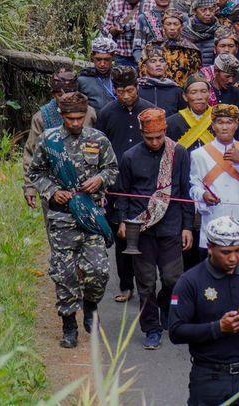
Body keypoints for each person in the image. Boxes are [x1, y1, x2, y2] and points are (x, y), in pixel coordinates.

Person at [26, 92, 118, 348]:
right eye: (70, 118)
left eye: (79, 118)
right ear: (62, 116)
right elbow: (36, 172)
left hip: (91, 216)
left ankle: (90, 305)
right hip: (62, 218)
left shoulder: (98, 139)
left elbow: (112, 169)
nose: (75, 123)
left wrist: (100, 179)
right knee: (64, 274)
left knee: (98, 271)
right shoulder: (49, 140)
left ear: (86, 115)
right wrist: (53, 192)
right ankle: (69, 325)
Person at [168, 216, 239, 406]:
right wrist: (218, 328)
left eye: (238, 250)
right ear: (210, 247)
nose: (233, 258)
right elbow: (176, 331)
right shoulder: (189, 281)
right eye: (226, 252)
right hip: (208, 379)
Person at [116, 108, 193, 349]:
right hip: (141, 229)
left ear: (165, 131)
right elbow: (123, 194)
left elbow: (184, 192)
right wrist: (122, 221)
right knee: (146, 283)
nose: (155, 142)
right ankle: (151, 328)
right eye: (149, 138)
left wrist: (187, 226)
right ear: (141, 134)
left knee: (173, 278)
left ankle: (166, 304)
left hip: (171, 225)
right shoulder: (129, 157)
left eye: (159, 137)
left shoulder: (178, 153)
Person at [96, 67, 157, 304]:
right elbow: (99, 148)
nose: (125, 95)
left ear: (137, 88)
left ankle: (148, 283)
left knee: (148, 232)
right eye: (120, 91)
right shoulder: (106, 113)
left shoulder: (149, 111)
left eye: (129, 90)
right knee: (121, 233)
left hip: (145, 182)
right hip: (117, 182)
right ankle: (125, 284)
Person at [190, 104, 239, 261]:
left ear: (236, 124)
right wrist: (203, 195)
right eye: (220, 122)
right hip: (214, 221)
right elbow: (194, 187)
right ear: (213, 125)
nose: (224, 127)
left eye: (229, 122)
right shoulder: (199, 154)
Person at [23, 69, 99, 210]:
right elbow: (31, 154)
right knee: (56, 226)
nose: (65, 97)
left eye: (70, 93)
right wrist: (30, 187)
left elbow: (101, 149)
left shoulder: (89, 113)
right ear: (53, 94)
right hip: (54, 185)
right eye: (59, 94)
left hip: (86, 184)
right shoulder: (41, 117)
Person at [101, 0, 154, 68]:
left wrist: (140, 30)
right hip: (121, 56)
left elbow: (157, 33)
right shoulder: (115, 3)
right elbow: (105, 29)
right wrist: (115, 30)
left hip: (146, 57)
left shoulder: (151, 5)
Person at [155, 9, 203, 88]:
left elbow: (196, 76)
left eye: (176, 24)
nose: (172, 28)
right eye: (168, 24)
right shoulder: (153, 46)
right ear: (163, 26)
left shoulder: (191, 49)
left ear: (181, 26)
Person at [167, 76, 215, 152]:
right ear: (185, 97)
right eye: (194, 92)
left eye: (203, 91)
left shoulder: (219, 118)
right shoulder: (172, 123)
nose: (199, 97)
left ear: (209, 94)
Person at [137, 47, 183, 115]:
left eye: (162, 61)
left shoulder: (176, 90)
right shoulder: (137, 89)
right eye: (153, 61)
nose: (158, 64)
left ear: (166, 66)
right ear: (144, 66)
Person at [184, 0, 224, 65]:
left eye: (211, 9)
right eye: (203, 10)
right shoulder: (184, 30)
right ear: (195, 11)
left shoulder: (222, 31)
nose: (208, 13)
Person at [78, 37, 118, 112]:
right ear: (92, 57)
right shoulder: (83, 80)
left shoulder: (119, 77)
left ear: (113, 57)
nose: (102, 64)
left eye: (106, 59)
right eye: (98, 59)